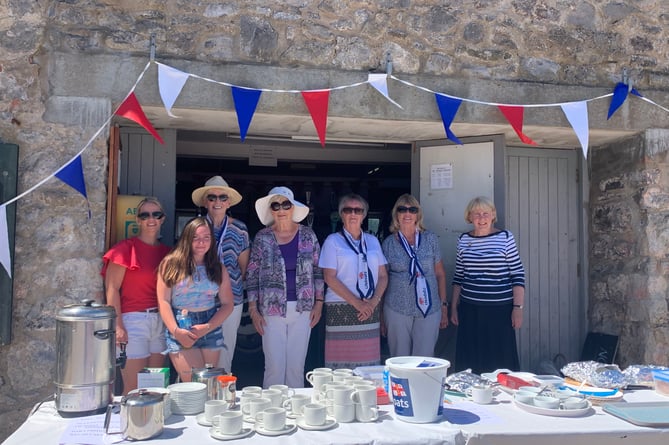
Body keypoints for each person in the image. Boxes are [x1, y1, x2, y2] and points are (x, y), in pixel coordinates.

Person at [246, 186, 324, 388]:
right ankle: (271, 412)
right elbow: (252, 275)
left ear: (293, 208)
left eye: (285, 204)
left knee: (296, 366)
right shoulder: (262, 238)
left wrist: (319, 304)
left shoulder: (308, 235)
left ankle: (295, 413)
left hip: (303, 308)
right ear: (271, 210)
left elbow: (317, 271)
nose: (281, 209)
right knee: (274, 366)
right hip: (270, 310)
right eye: (276, 205)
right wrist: (253, 309)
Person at [102, 197, 171, 395]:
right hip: (133, 321)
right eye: (145, 215)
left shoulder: (168, 253)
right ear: (138, 220)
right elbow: (112, 289)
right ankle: (128, 426)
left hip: (160, 320)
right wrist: (117, 325)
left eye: (156, 214)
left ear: (162, 219)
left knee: (157, 387)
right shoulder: (124, 249)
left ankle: (154, 425)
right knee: (133, 389)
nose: (151, 219)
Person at [450, 196, 525, 374]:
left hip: (500, 311)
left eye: (485, 213)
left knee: (500, 362)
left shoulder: (505, 238)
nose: (481, 218)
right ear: (469, 217)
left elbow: (518, 275)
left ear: (493, 216)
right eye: (476, 214)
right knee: (470, 360)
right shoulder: (463, 240)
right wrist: (453, 307)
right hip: (470, 310)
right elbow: (458, 276)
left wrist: (518, 308)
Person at [156, 217, 234, 382]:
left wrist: (207, 327)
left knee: (210, 383)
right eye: (196, 238)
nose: (201, 243)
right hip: (181, 324)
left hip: (210, 325)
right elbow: (163, 301)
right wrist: (176, 331)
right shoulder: (170, 264)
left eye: (206, 238)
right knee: (195, 384)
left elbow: (228, 304)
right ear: (186, 238)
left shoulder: (218, 268)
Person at [319, 193, 388, 369]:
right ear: (342, 214)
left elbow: (383, 276)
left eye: (358, 210)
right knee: (341, 366)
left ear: (364, 215)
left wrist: (373, 303)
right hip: (341, 309)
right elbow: (329, 277)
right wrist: (358, 304)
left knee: (368, 364)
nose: (353, 214)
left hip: (369, 309)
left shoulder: (372, 241)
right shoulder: (332, 241)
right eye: (348, 210)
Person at [191, 176, 249, 374]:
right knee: (200, 353)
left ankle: (222, 399)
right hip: (200, 300)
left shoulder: (240, 229)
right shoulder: (194, 228)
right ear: (205, 202)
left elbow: (243, 268)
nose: (217, 202)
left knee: (225, 352)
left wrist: (225, 287)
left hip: (231, 300)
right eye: (212, 197)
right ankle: (201, 400)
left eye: (222, 197)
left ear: (229, 202)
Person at [381, 194, 448, 357]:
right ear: (396, 214)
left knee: (424, 359)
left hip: (429, 308)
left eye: (412, 209)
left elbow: (440, 274)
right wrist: (381, 314)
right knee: (399, 358)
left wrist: (444, 306)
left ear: (418, 214)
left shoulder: (430, 239)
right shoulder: (388, 243)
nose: (407, 213)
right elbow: (383, 279)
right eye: (402, 209)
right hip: (397, 308)